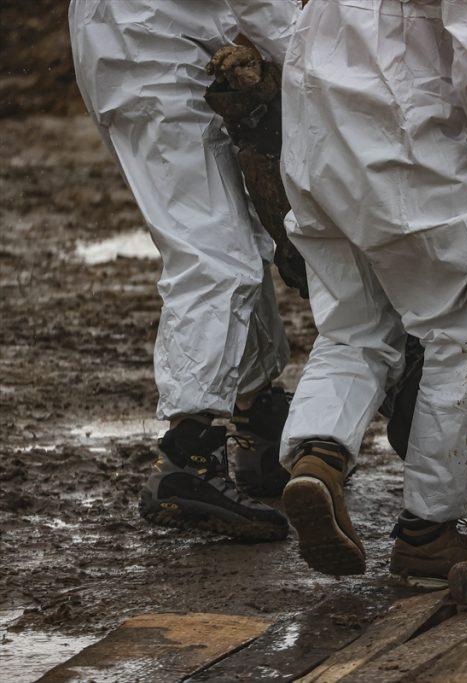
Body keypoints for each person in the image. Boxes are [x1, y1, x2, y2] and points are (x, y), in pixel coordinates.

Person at [277, 0, 467, 586]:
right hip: (401, 155)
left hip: (313, 150)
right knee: (460, 332)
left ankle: (319, 457)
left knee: (352, 326)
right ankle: (429, 533)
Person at [70, 0, 304, 541]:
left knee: (240, 235)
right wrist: (313, 68)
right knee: (214, 253)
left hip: (146, 37)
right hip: (150, 49)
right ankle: (188, 458)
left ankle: (259, 422)